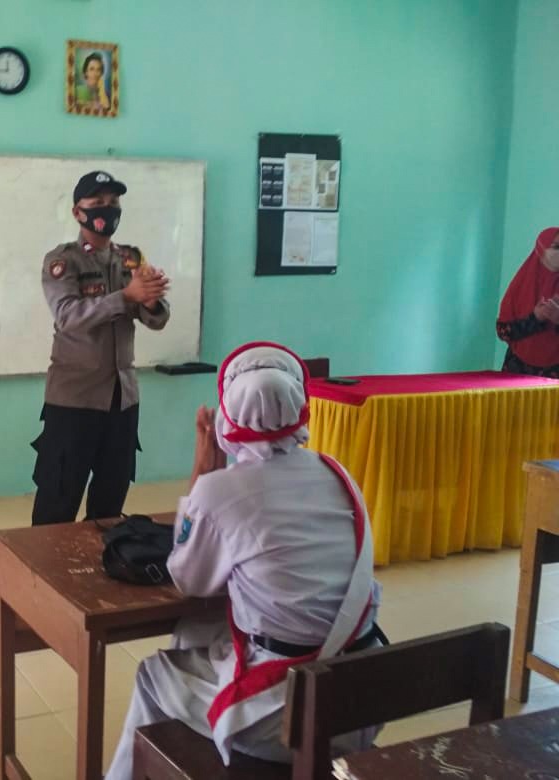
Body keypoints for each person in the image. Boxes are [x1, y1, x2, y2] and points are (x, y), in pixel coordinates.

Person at [104, 342, 384, 778]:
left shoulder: (221, 491)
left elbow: (188, 579)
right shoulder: (338, 474)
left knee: (153, 673)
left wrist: (202, 472)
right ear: (301, 406)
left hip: (284, 719)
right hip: (362, 702)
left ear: (226, 416)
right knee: (197, 632)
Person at [31, 170, 170, 526]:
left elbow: (156, 320)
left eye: (113, 204)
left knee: (110, 502)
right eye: (98, 204)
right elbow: (68, 316)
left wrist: (151, 301)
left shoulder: (130, 258)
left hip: (122, 399)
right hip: (74, 400)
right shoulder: (63, 261)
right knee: (58, 500)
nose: (107, 211)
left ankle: (104, 573)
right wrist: (126, 296)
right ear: (78, 212)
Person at [497, 227, 559, 377]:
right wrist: (535, 318)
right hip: (517, 369)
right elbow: (503, 331)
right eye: (556, 247)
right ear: (541, 248)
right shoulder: (521, 285)